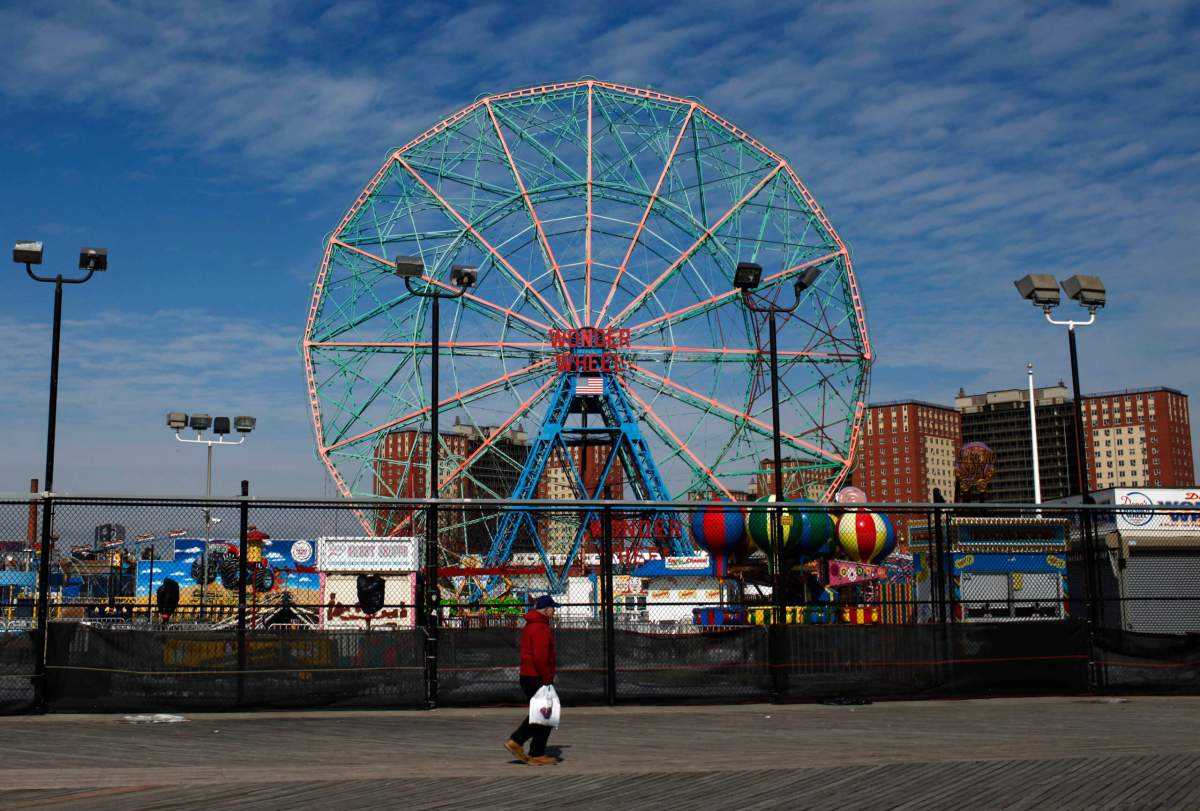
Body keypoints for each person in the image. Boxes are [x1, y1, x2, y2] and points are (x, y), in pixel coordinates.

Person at [505, 594, 558, 765]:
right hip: (537, 677)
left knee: (544, 715)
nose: (554, 611)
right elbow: (540, 657)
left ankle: (535, 752)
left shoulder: (531, 625)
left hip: (528, 676)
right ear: (546, 609)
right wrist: (547, 678)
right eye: (553, 608)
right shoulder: (541, 628)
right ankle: (518, 742)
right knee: (544, 715)